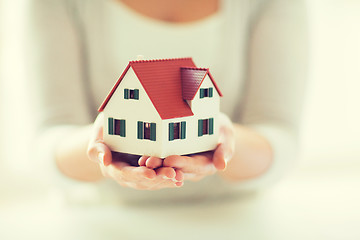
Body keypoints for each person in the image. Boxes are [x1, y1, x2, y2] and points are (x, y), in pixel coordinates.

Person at [28, 0, 308, 201]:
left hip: (232, 219)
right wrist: (104, 143)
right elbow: (50, 139)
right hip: (102, 219)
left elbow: (280, 134)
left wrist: (220, 138)